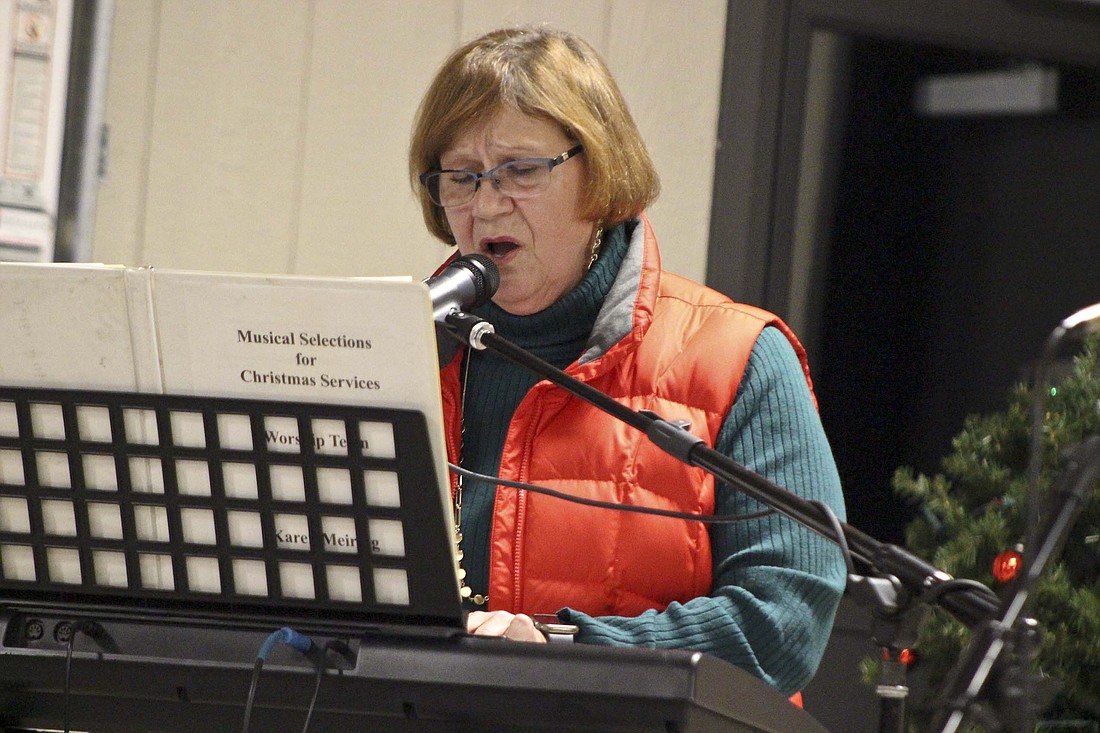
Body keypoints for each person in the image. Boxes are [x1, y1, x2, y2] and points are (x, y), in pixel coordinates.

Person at [408, 25, 846, 698]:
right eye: (461, 177)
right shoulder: (399, 351)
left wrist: (570, 652)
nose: (486, 204)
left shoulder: (742, 360)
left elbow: (783, 618)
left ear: (600, 172)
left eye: (520, 170)